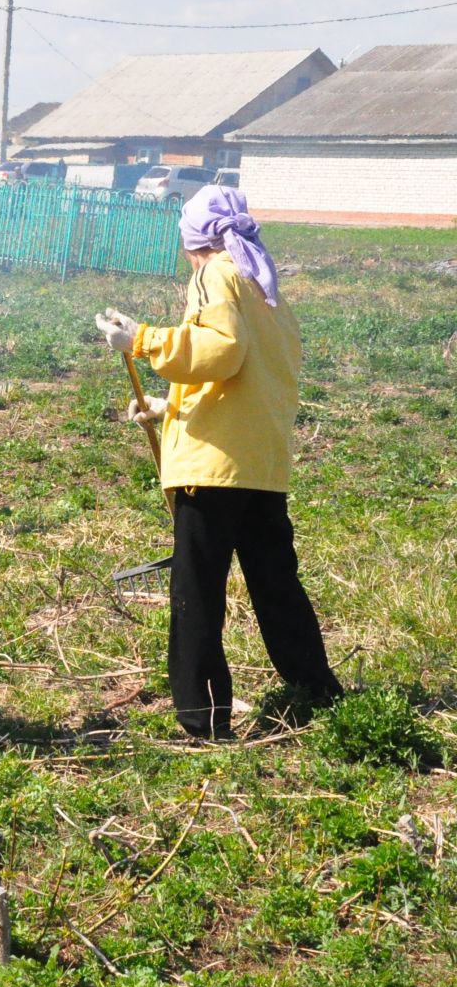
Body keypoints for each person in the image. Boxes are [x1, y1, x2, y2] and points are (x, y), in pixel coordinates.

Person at [94, 186, 343, 739]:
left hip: (211, 469)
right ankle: (318, 694)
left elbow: (220, 350)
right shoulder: (263, 283)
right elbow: (248, 371)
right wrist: (170, 405)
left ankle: (204, 719)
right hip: (258, 461)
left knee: (198, 591)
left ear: (193, 237)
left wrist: (143, 340)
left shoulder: (213, 272)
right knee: (277, 584)